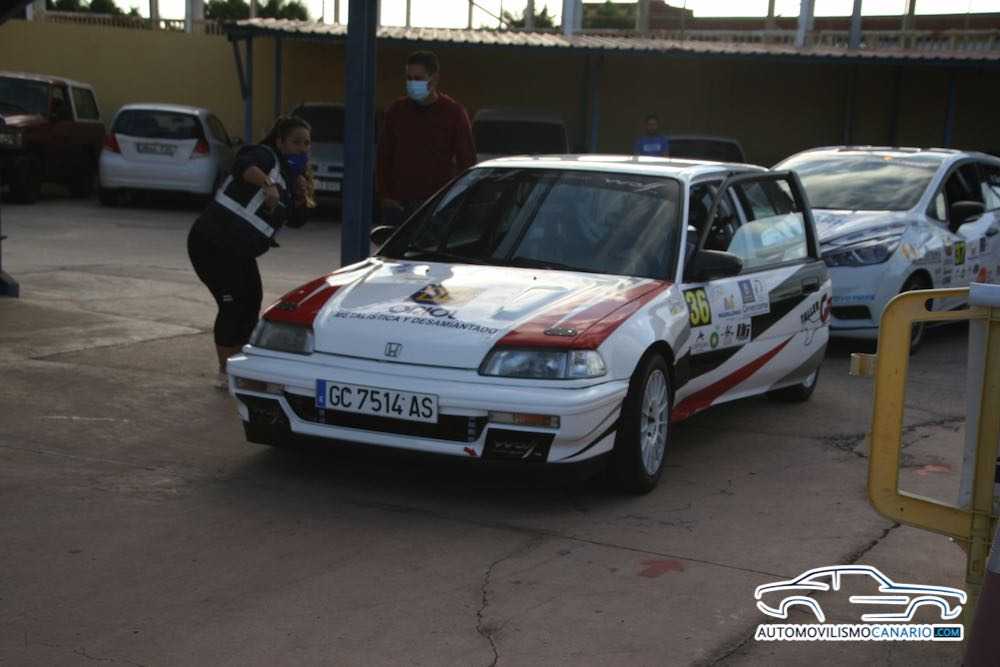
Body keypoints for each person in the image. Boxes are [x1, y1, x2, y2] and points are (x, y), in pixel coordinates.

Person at [187, 115, 311, 388]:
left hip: (239, 251)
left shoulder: (291, 177)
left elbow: (296, 220)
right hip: (211, 243)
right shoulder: (266, 156)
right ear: (280, 141)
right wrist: (267, 184)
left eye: (306, 144)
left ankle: (241, 366)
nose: (302, 149)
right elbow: (243, 165)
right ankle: (225, 371)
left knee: (251, 301)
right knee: (232, 305)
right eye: (296, 142)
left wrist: (301, 195)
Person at [377, 50, 476, 226]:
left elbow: (466, 160)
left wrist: (454, 200)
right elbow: (384, 155)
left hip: (437, 206)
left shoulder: (453, 113)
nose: (412, 83)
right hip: (399, 205)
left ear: (434, 79)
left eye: (418, 78)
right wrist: (385, 195)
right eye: (409, 78)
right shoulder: (397, 111)